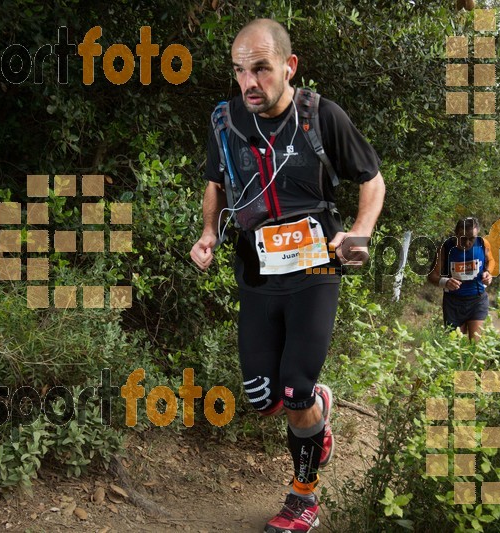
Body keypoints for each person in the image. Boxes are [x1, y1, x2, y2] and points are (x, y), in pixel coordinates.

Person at [189, 18, 384, 533]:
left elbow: (373, 181)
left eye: (261, 69)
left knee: (294, 390)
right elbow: (215, 183)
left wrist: (359, 232)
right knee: (262, 398)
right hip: (256, 271)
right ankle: (318, 407)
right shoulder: (225, 121)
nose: (249, 83)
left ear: (288, 67)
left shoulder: (321, 116)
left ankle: (303, 497)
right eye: (239, 72)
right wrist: (209, 231)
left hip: (315, 268)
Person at [427, 217, 495, 341]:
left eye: (472, 238)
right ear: (456, 234)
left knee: (477, 347)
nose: (468, 243)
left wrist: (488, 274)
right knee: (456, 348)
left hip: (477, 300)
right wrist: (445, 282)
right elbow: (431, 276)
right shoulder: (446, 248)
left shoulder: (483, 244)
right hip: (453, 303)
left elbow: (491, 261)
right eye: (463, 238)